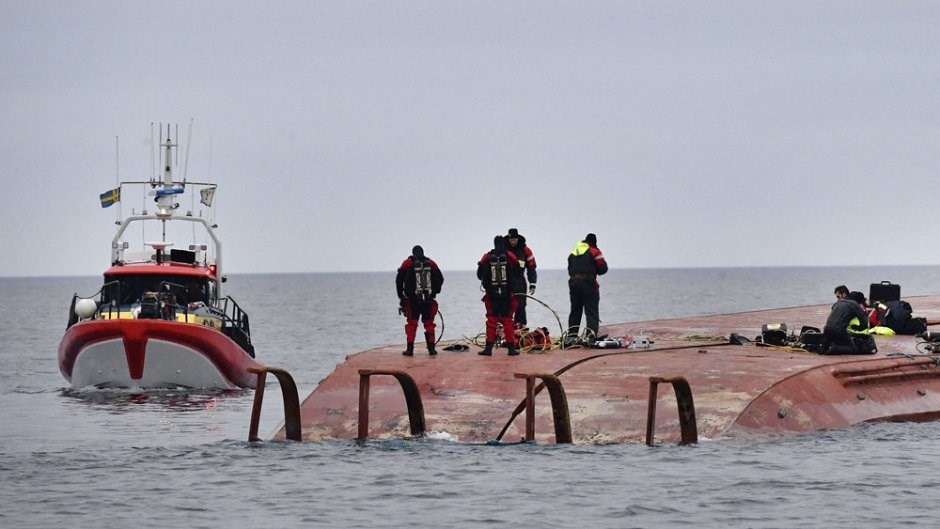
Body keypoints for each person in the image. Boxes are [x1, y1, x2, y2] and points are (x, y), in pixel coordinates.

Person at [477, 235, 522, 356]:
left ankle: (488, 349)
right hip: (507, 295)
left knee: (491, 321)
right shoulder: (510, 256)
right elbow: (519, 273)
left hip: (491, 296)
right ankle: (511, 349)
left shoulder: (487, 256)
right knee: (508, 321)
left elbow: (479, 274)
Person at [396, 245, 444, 356]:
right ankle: (431, 349)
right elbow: (440, 279)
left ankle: (410, 349)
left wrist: (401, 297)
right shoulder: (431, 263)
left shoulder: (407, 263)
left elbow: (399, 281)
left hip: (412, 299)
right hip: (428, 299)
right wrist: (434, 293)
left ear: (413, 253)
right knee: (429, 323)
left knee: (412, 323)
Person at [567, 233, 608, 344]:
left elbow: (569, 266)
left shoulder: (574, 251)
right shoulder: (594, 251)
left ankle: (571, 337)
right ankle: (591, 337)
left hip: (573, 283)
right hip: (588, 283)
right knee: (591, 311)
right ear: (594, 242)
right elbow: (603, 268)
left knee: (575, 310)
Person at [506, 228, 538, 326]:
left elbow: (531, 267)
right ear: (508, 239)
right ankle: (505, 329)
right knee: (506, 306)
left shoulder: (525, 250)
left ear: (518, 239)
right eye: (511, 240)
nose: (513, 242)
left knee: (521, 306)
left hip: (520, 281)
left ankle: (521, 327)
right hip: (506, 282)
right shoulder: (504, 249)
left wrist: (532, 284)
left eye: (515, 240)